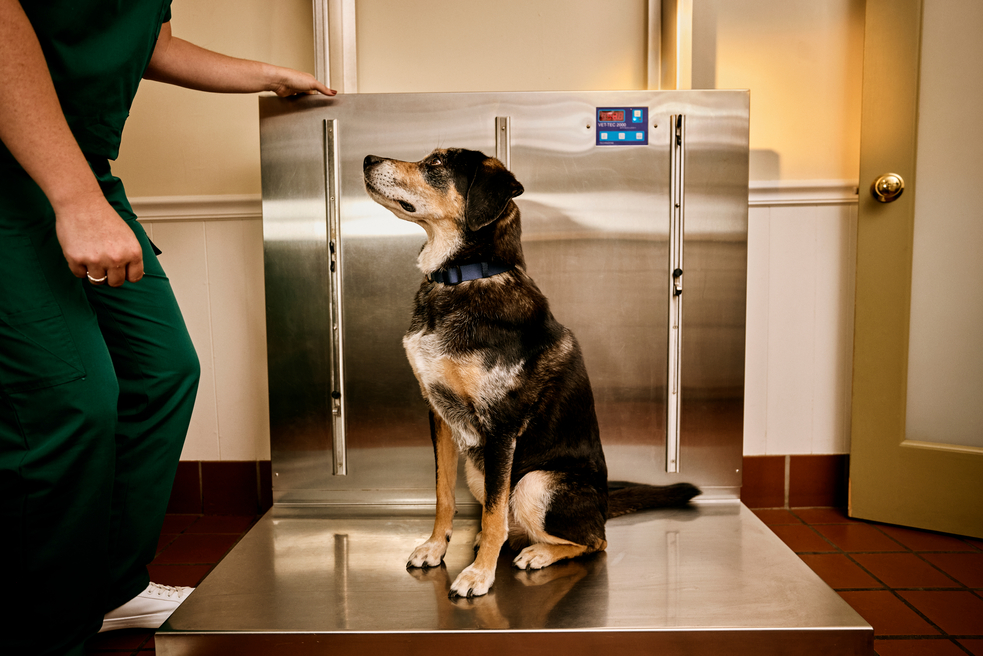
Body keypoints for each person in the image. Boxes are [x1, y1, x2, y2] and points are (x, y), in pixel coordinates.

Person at [0, 1, 334, 654]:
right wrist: (75, 202)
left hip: (84, 170)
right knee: (66, 403)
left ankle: (112, 588)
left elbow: (149, 44)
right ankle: (45, 630)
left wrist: (267, 74)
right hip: (16, 177)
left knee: (161, 371)